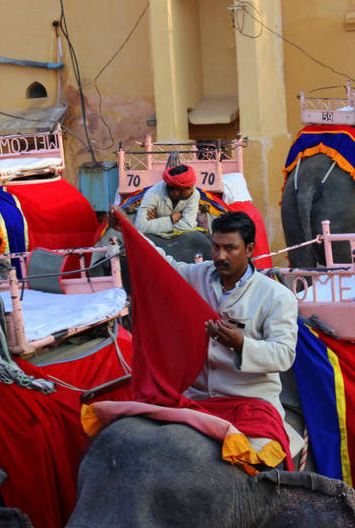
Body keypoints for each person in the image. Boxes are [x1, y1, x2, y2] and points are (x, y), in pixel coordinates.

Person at [114, 207, 303, 457]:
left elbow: (283, 355)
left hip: (250, 402)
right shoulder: (198, 275)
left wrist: (241, 345)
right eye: (215, 247)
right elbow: (162, 265)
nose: (220, 255)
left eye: (230, 248)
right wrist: (130, 231)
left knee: (253, 467)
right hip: (197, 399)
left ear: (249, 249)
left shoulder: (277, 296)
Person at [133, 164, 202, 239]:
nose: (193, 190)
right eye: (190, 188)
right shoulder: (152, 195)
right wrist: (171, 220)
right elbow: (141, 227)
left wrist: (157, 223)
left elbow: (188, 225)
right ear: (177, 191)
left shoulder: (194, 194)